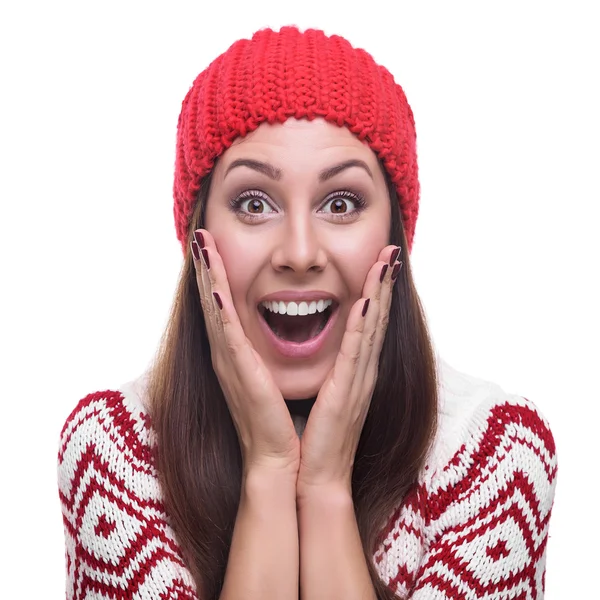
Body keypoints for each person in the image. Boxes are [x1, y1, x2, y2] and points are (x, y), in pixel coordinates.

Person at [57, 26, 557, 600]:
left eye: (341, 203)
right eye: (253, 203)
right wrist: (269, 474)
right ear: (199, 236)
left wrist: (324, 491)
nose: (299, 253)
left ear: (394, 235)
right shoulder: (111, 451)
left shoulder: (496, 456)